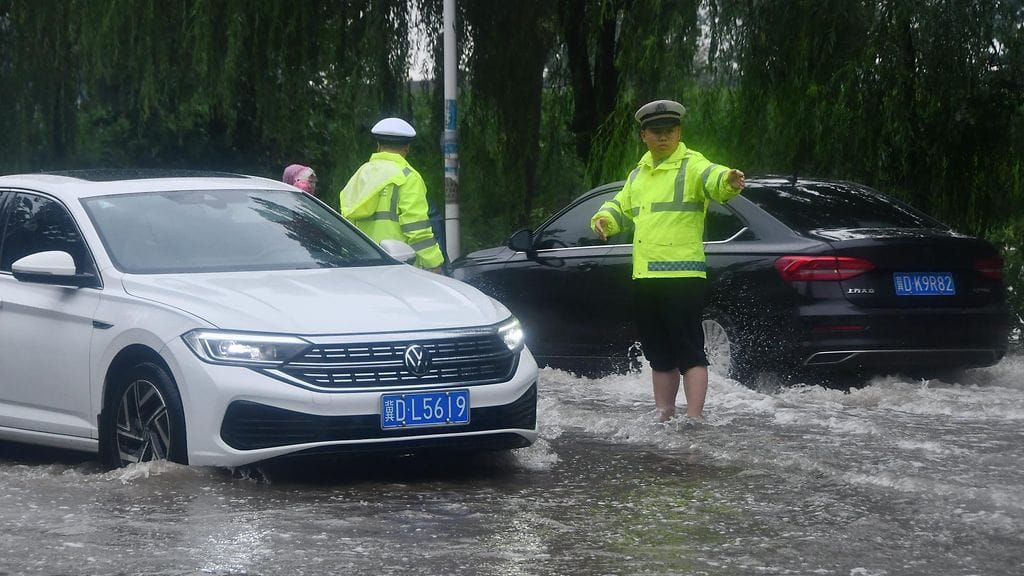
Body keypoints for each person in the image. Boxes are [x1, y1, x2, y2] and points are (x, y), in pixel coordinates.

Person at [591, 99, 745, 421]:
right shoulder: (638, 174)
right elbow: (620, 206)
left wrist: (728, 181)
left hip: (683, 277)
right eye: (656, 131)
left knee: (689, 351)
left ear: (679, 132)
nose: (664, 137)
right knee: (659, 355)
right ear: (643, 135)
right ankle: (663, 415)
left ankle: (695, 418)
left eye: (670, 131)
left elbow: (713, 177)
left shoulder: (692, 164)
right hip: (645, 277)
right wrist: (604, 219)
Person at [339, 117, 444, 272]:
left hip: (361, 264)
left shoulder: (360, 174)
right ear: (407, 148)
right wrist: (434, 263)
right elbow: (417, 229)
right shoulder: (409, 177)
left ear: (378, 146)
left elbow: (346, 219)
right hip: (398, 267)